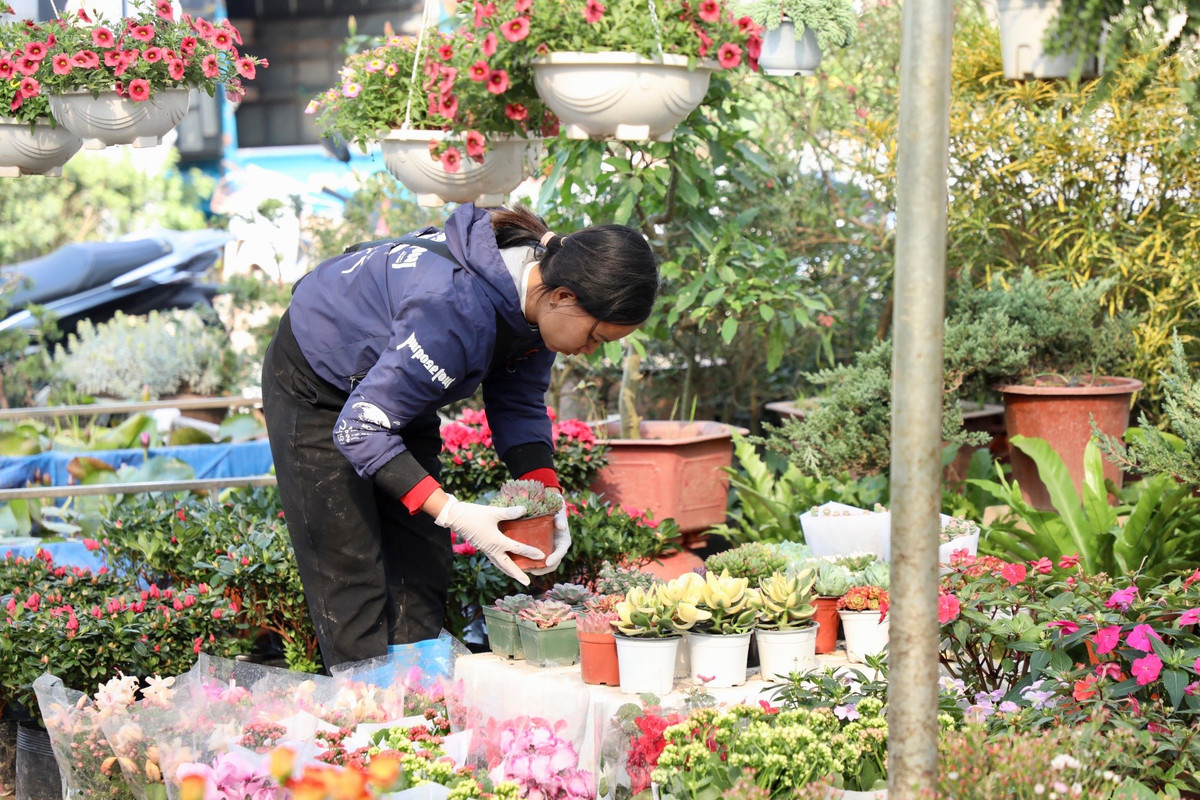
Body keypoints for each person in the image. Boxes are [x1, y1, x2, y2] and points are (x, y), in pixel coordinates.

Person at [261, 203, 659, 668]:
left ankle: (419, 704)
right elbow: (360, 427)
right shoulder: (452, 309)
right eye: (595, 336)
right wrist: (455, 512)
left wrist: (546, 493)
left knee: (422, 556)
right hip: (317, 385)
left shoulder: (536, 295)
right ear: (564, 296)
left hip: (395, 387)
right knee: (350, 567)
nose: (590, 351)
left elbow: (519, 403)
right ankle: (367, 719)